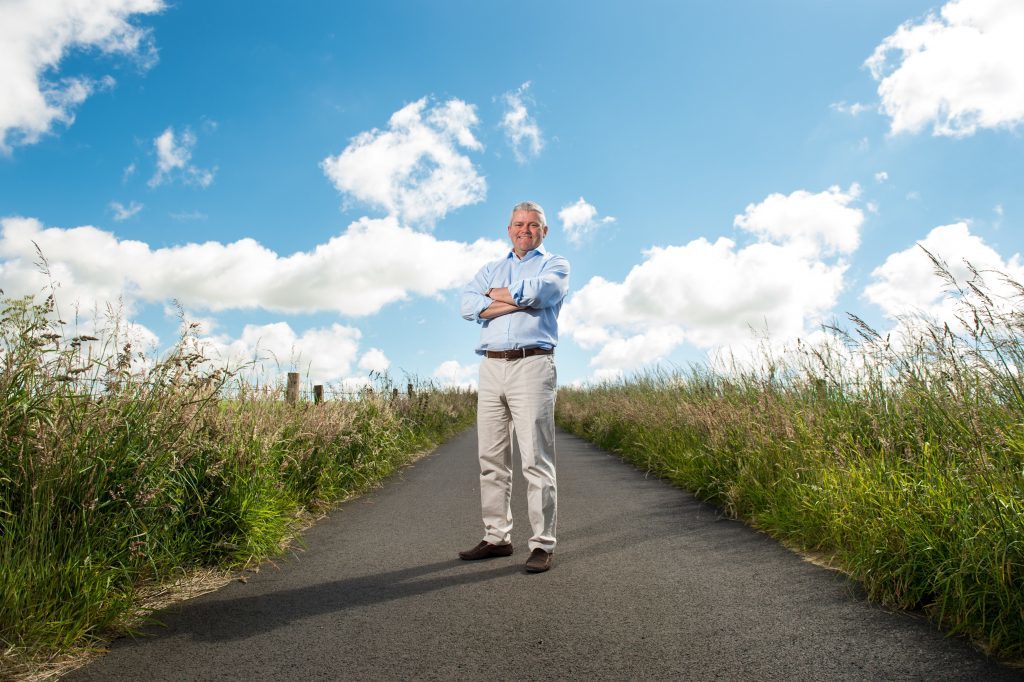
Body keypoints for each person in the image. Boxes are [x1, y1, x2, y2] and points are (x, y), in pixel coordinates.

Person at [458, 201, 570, 573]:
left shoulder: (556, 265)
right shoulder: (491, 268)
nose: (525, 230)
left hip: (533, 364)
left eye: (533, 224)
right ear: (509, 229)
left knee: (536, 459)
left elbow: (540, 294)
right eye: (519, 224)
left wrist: (494, 297)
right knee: (491, 459)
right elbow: (466, 305)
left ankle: (542, 544)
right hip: (491, 367)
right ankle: (496, 537)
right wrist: (515, 298)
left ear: (544, 231)